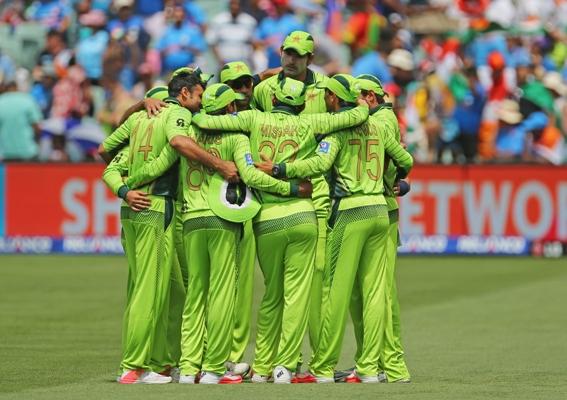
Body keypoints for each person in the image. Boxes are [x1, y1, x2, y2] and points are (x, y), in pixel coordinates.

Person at [191, 77, 370, 383]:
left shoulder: (254, 117)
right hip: (303, 214)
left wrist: (192, 114)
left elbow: (204, 120)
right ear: (301, 104)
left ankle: (261, 368)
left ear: (273, 101)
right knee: (296, 297)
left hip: (267, 218)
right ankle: (285, 366)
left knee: (272, 294)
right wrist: (365, 106)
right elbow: (356, 115)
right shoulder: (310, 122)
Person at [258, 73, 413, 383]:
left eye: (328, 95)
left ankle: (324, 368)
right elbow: (404, 158)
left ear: (337, 98)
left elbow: (316, 165)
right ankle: (370, 369)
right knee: (374, 293)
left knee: (334, 292)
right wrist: (395, 181)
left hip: (350, 211)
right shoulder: (380, 127)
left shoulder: (339, 130)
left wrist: (280, 168)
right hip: (379, 211)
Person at [98, 72, 237, 384]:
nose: (201, 103)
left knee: (169, 290)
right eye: (199, 95)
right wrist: (219, 165)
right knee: (149, 291)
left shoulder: (138, 123)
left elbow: (105, 154)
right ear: (184, 94)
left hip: (133, 210)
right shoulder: (177, 116)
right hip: (155, 207)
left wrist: (124, 188)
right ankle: (133, 366)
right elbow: (174, 147)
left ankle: (162, 362)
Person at [252, 31, 332, 375]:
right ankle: (279, 363)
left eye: (299, 55)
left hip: (318, 195)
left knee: (318, 288)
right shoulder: (264, 89)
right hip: (281, 198)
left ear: (310, 59)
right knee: (283, 291)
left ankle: (315, 364)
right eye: (287, 53)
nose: (291, 59)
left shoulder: (324, 88)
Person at [348, 74, 411, 383]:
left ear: (369, 98)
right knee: (367, 292)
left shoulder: (382, 120)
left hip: (380, 210)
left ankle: (391, 364)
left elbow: (392, 159)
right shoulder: (385, 117)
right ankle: (370, 360)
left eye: (355, 97)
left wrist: (393, 181)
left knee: (379, 292)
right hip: (381, 209)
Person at [155, 5, 207, 74]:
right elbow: (159, 50)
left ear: (184, 15)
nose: (178, 15)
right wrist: (169, 49)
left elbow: (200, 50)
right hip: (170, 71)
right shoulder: (166, 32)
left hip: (188, 70)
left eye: (180, 13)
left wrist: (186, 47)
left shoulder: (192, 31)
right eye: (176, 13)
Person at [207, 0, 258, 68]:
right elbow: (212, 42)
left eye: (237, 4)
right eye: (232, 4)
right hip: (224, 64)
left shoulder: (250, 21)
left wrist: (251, 58)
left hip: (243, 64)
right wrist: (219, 60)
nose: (235, 7)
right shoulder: (218, 20)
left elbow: (255, 43)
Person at [0, 81, 42, 161]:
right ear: (16, 87)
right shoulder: (27, 99)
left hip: (5, 153)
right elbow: (37, 126)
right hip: (27, 151)